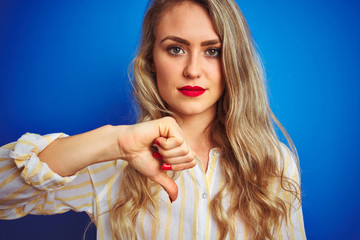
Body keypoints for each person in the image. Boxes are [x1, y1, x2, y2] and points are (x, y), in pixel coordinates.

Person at [0, 0, 306, 239]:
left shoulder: (273, 164)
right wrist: (115, 141)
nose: (193, 70)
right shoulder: (112, 162)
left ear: (233, 62)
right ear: (151, 61)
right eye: (176, 49)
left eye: (212, 51)